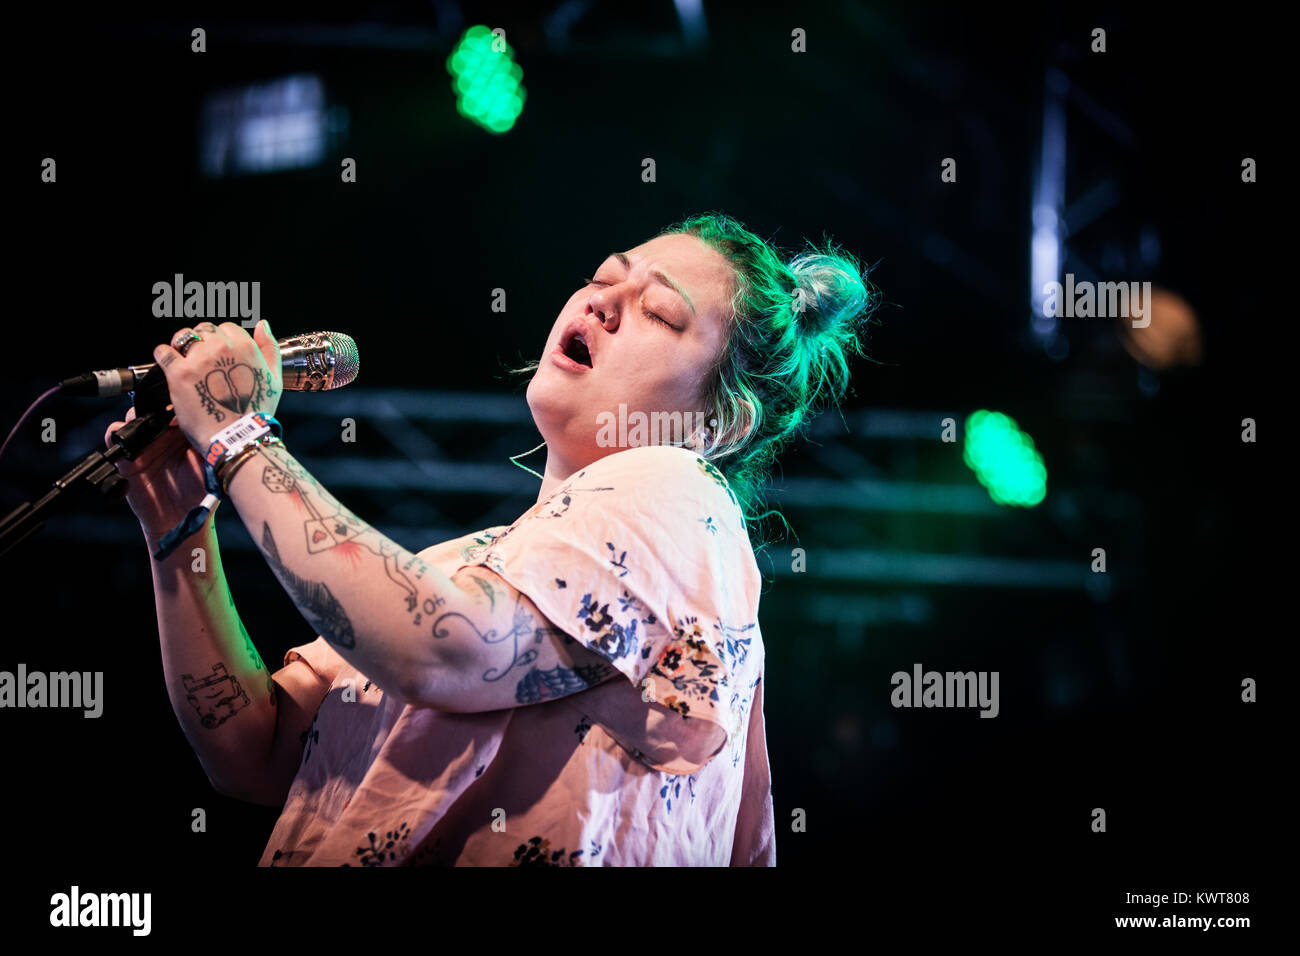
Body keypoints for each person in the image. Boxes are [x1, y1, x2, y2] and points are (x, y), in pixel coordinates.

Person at [105, 211, 879, 866]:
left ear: (719, 422)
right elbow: (253, 751)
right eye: (605, 279)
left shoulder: (683, 496)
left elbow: (438, 649)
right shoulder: (468, 567)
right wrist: (182, 533)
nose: (603, 304)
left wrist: (241, 437)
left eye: (660, 314)